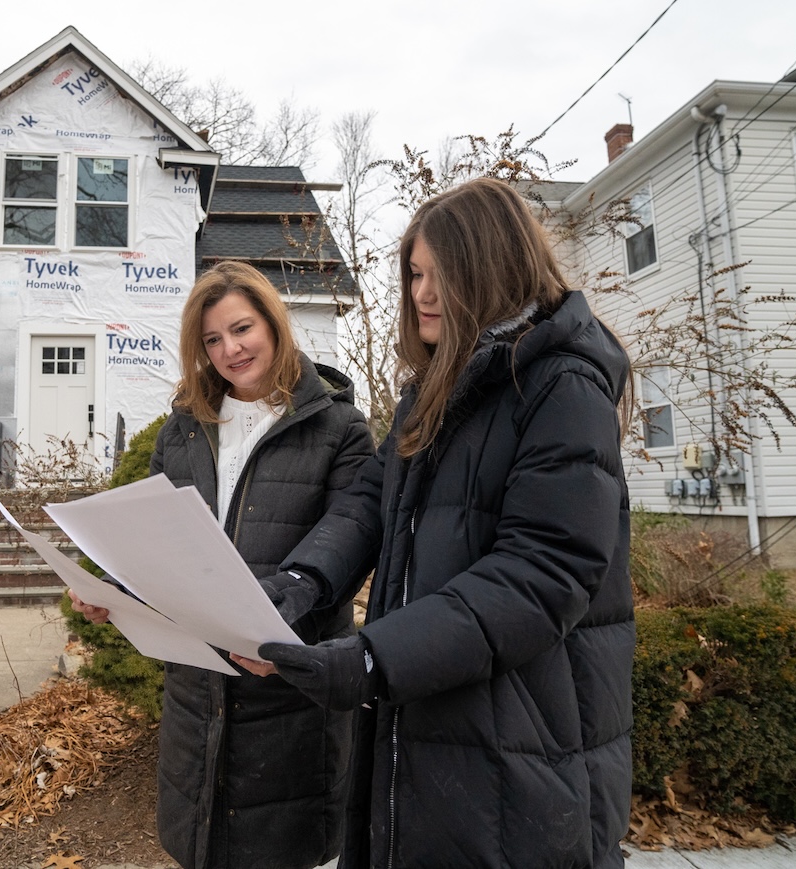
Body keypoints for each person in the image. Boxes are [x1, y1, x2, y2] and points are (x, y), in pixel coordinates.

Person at [236, 178, 634, 869]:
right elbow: (369, 500)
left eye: (440, 275)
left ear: (493, 267)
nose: (420, 293)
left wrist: (371, 658)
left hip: (523, 750)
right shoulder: (437, 389)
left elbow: (542, 574)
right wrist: (299, 581)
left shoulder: (561, 385)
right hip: (427, 734)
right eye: (415, 273)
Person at [70, 260, 374, 869]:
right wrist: (112, 587)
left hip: (289, 690)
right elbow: (151, 535)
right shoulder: (183, 429)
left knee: (287, 852)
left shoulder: (339, 427)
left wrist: (284, 605)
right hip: (196, 691)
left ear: (274, 325)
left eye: (242, 329)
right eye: (212, 339)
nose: (230, 349)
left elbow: (352, 537)